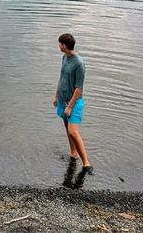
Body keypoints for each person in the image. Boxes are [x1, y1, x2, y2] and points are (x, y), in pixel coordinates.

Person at [54, 32, 91, 185]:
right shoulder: (64, 58)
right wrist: (56, 95)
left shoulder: (79, 63)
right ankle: (73, 153)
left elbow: (79, 89)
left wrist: (70, 106)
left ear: (64, 45)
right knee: (65, 126)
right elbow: (61, 77)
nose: (58, 45)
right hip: (62, 100)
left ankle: (87, 163)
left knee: (73, 132)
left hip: (73, 102)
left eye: (59, 43)